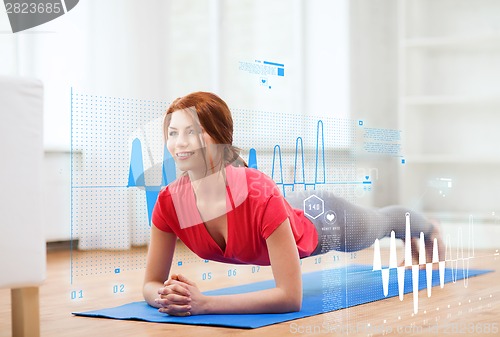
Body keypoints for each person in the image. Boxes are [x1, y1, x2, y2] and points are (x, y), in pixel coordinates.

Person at [143, 91, 444, 316]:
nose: (179, 143)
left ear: (220, 138)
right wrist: (169, 296)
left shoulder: (258, 191)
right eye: (172, 133)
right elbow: (151, 283)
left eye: (192, 132)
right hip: (284, 210)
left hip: (324, 220)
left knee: (381, 222)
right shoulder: (170, 203)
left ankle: (429, 231)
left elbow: (290, 297)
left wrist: (205, 304)